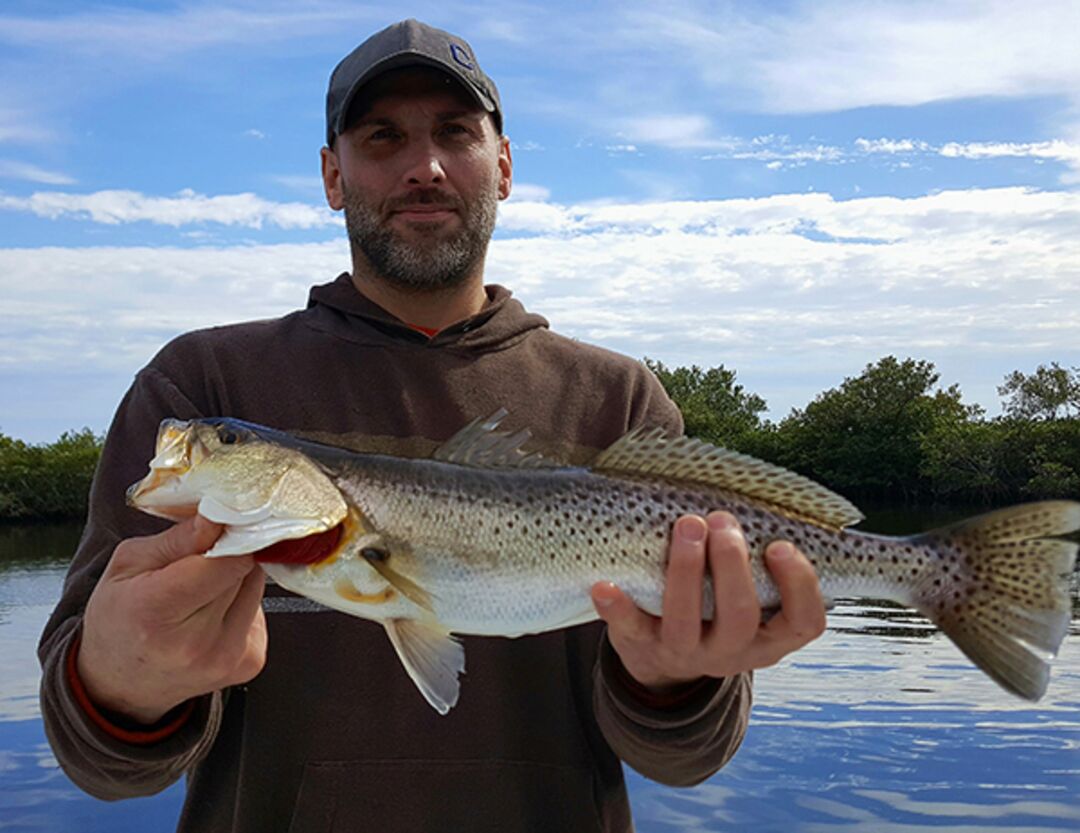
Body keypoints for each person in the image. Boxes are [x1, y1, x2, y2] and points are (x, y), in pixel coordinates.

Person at [39, 19, 826, 833]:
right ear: (332, 175)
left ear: (506, 165)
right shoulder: (199, 384)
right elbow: (98, 764)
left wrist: (677, 682)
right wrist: (121, 685)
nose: (425, 167)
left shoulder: (617, 401)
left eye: (456, 133)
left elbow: (685, 758)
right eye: (383, 138)